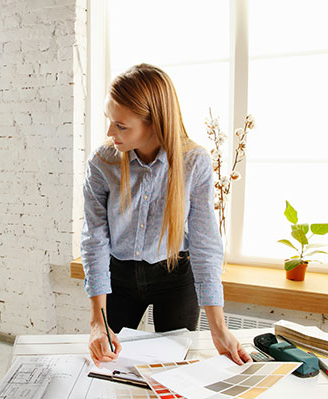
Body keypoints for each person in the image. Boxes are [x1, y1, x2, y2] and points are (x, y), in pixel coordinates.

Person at [81, 63, 252, 367]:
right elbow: (94, 240)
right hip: (118, 277)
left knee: (174, 370)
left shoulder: (193, 162)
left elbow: (204, 246)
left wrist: (219, 328)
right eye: (110, 121)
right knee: (108, 365)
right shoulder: (103, 162)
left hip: (175, 277)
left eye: (121, 125)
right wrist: (98, 322)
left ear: (154, 123)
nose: (110, 133)